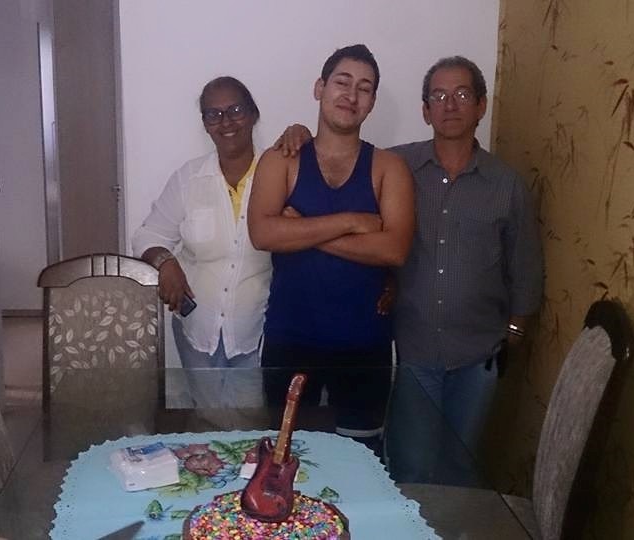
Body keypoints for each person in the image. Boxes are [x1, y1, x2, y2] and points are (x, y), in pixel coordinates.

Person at [276, 56, 543, 472]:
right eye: (438, 95)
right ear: (425, 110)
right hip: (412, 347)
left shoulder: (506, 184)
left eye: (462, 94)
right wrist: (299, 133)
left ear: (481, 106)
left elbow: (525, 264)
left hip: (480, 352)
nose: (449, 104)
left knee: (463, 464)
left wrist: (514, 333)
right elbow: (337, 150)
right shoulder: (396, 167)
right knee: (411, 466)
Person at [248, 44, 415, 438]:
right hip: (290, 340)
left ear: (372, 102)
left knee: (361, 461)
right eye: (342, 82)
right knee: (289, 458)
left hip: (365, 345)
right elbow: (262, 233)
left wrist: (303, 230)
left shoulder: (389, 168)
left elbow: (394, 249)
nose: (351, 95)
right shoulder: (281, 159)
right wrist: (351, 222)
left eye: (364, 88)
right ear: (319, 88)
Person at [132, 76, 271, 408]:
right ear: (205, 124)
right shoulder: (188, 179)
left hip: (257, 333)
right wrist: (165, 262)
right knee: (207, 421)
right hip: (198, 329)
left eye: (235, 110)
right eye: (213, 114)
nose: (226, 122)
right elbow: (147, 235)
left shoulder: (276, 174)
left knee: (252, 425)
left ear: (253, 114)